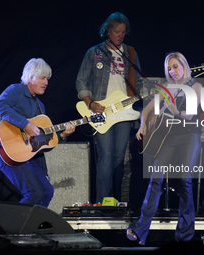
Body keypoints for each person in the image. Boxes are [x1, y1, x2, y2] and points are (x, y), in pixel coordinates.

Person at [126, 52, 202, 245]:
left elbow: (190, 115)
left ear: (184, 66)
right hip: (168, 138)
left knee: (185, 181)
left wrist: (175, 111)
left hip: (189, 136)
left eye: (175, 66)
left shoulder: (196, 86)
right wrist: (143, 125)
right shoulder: (168, 89)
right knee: (155, 179)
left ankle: (184, 235)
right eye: (169, 68)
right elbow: (146, 110)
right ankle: (140, 229)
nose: (172, 71)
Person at [0, 58, 75, 208]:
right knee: (34, 193)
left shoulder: (40, 106)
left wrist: (63, 136)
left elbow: (42, 141)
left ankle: (31, 228)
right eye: (42, 78)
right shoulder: (16, 90)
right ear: (30, 77)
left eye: (47, 79)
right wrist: (25, 124)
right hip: (5, 149)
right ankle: (8, 227)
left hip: (25, 155)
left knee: (46, 192)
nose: (46, 82)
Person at [75, 12, 143, 203]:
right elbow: (80, 81)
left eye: (123, 32)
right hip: (102, 111)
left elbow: (138, 83)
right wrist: (90, 102)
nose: (120, 35)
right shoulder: (94, 52)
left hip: (124, 112)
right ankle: (101, 202)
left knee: (119, 158)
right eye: (116, 31)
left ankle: (114, 201)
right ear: (107, 31)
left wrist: (150, 90)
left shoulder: (130, 54)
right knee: (105, 158)